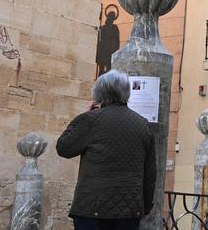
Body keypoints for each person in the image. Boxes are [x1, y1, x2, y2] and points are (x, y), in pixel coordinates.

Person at [57, 70, 157, 230]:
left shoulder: (90, 120)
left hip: (93, 208)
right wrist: (145, 206)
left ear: (99, 92)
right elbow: (150, 172)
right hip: (130, 210)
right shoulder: (143, 124)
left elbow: (64, 148)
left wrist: (82, 117)